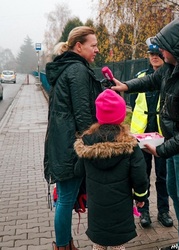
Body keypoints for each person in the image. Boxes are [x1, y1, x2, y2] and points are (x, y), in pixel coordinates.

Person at [112, 16, 179, 250]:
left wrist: (161, 150)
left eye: (163, 49)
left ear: (176, 50)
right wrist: (126, 86)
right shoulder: (173, 66)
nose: (159, 53)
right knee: (176, 196)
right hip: (175, 143)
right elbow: (153, 79)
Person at [44, 26, 103, 250]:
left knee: (65, 198)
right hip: (72, 146)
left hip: (63, 142)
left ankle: (66, 243)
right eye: (93, 45)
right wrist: (92, 147)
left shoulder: (67, 68)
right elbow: (82, 114)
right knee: (66, 198)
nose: (97, 49)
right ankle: (62, 246)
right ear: (79, 46)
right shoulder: (77, 70)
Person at [74, 89, 149, 250]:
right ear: (121, 115)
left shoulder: (87, 142)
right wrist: (141, 196)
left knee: (99, 244)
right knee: (117, 246)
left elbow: (78, 171)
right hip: (120, 209)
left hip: (96, 207)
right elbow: (140, 175)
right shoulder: (130, 144)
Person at [130, 42, 173, 228]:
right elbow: (134, 104)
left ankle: (164, 211)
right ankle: (143, 211)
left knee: (163, 177)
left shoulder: (170, 77)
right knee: (143, 176)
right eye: (151, 54)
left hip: (162, 137)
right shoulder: (141, 77)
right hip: (142, 136)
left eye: (157, 53)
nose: (154, 57)